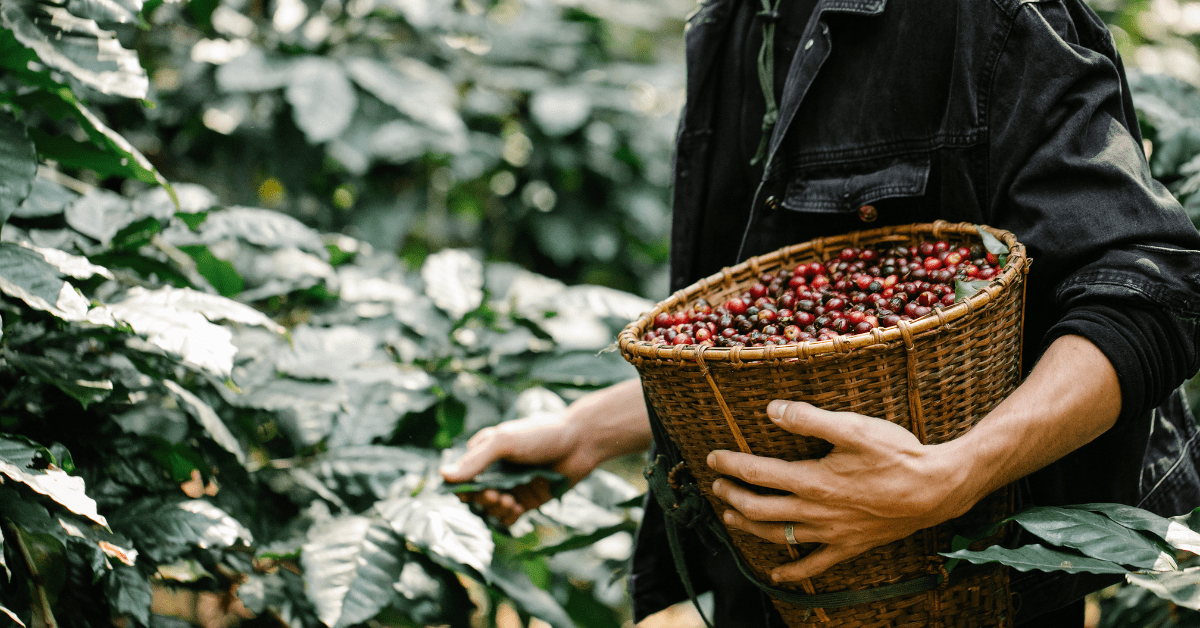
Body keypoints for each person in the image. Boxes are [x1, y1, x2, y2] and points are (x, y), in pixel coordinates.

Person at [442, 0, 1200, 624]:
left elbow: (1150, 287)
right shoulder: (739, 25)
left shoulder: (978, 16)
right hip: (780, 584)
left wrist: (955, 472)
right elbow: (789, 340)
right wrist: (584, 432)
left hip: (958, 585)